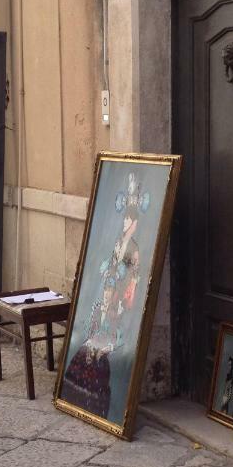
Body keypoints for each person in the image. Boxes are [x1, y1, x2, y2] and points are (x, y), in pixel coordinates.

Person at [61, 173, 146, 418]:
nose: (125, 223)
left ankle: (98, 407)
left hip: (117, 306)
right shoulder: (119, 243)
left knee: (99, 357)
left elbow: (132, 283)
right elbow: (109, 270)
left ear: (135, 222)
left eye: (130, 219)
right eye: (125, 218)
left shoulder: (134, 250)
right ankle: (77, 400)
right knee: (86, 353)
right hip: (106, 300)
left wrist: (118, 300)